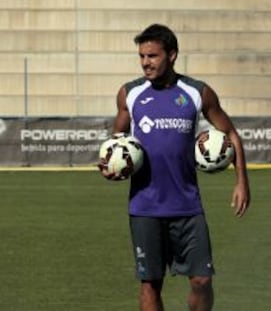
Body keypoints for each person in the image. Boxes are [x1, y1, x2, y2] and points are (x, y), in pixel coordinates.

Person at [98, 24, 250, 311]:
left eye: (153, 56)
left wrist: (242, 181)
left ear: (172, 55)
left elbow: (230, 133)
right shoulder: (129, 94)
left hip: (187, 205)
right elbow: (116, 143)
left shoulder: (197, 92)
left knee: (202, 281)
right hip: (145, 206)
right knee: (150, 283)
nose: (146, 63)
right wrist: (113, 164)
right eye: (142, 56)